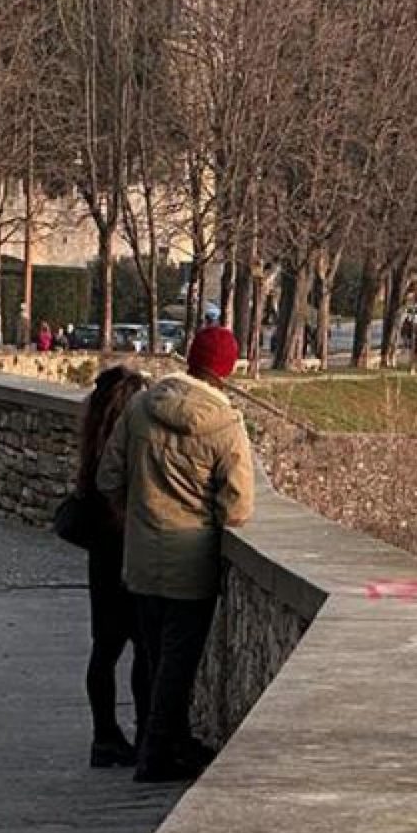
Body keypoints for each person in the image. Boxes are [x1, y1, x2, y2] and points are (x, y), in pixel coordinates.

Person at [97, 323, 254, 784]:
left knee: (150, 656)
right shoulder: (225, 424)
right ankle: (156, 755)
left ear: (189, 358)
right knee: (178, 665)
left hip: (142, 559)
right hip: (193, 563)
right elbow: (238, 505)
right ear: (225, 372)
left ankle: (163, 740)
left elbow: (109, 476)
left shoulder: (141, 408)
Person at [77, 366, 151, 768]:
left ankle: (103, 734)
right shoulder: (131, 438)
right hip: (130, 547)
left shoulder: (92, 438)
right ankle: (143, 732)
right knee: (142, 645)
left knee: (105, 648)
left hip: (101, 553)